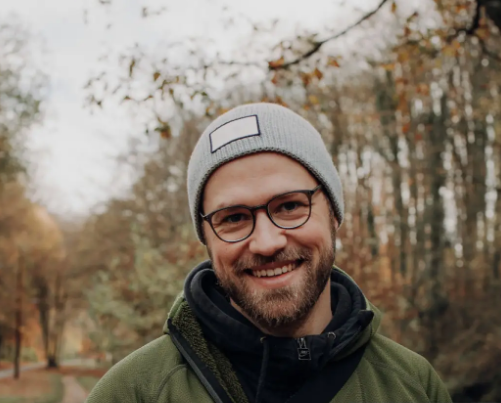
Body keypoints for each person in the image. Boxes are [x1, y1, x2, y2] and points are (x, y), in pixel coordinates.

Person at [86, 103, 453, 403]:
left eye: (290, 206)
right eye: (233, 218)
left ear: (334, 214)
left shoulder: (412, 385)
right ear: (207, 239)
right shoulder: (133, 393)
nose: (266, 242)